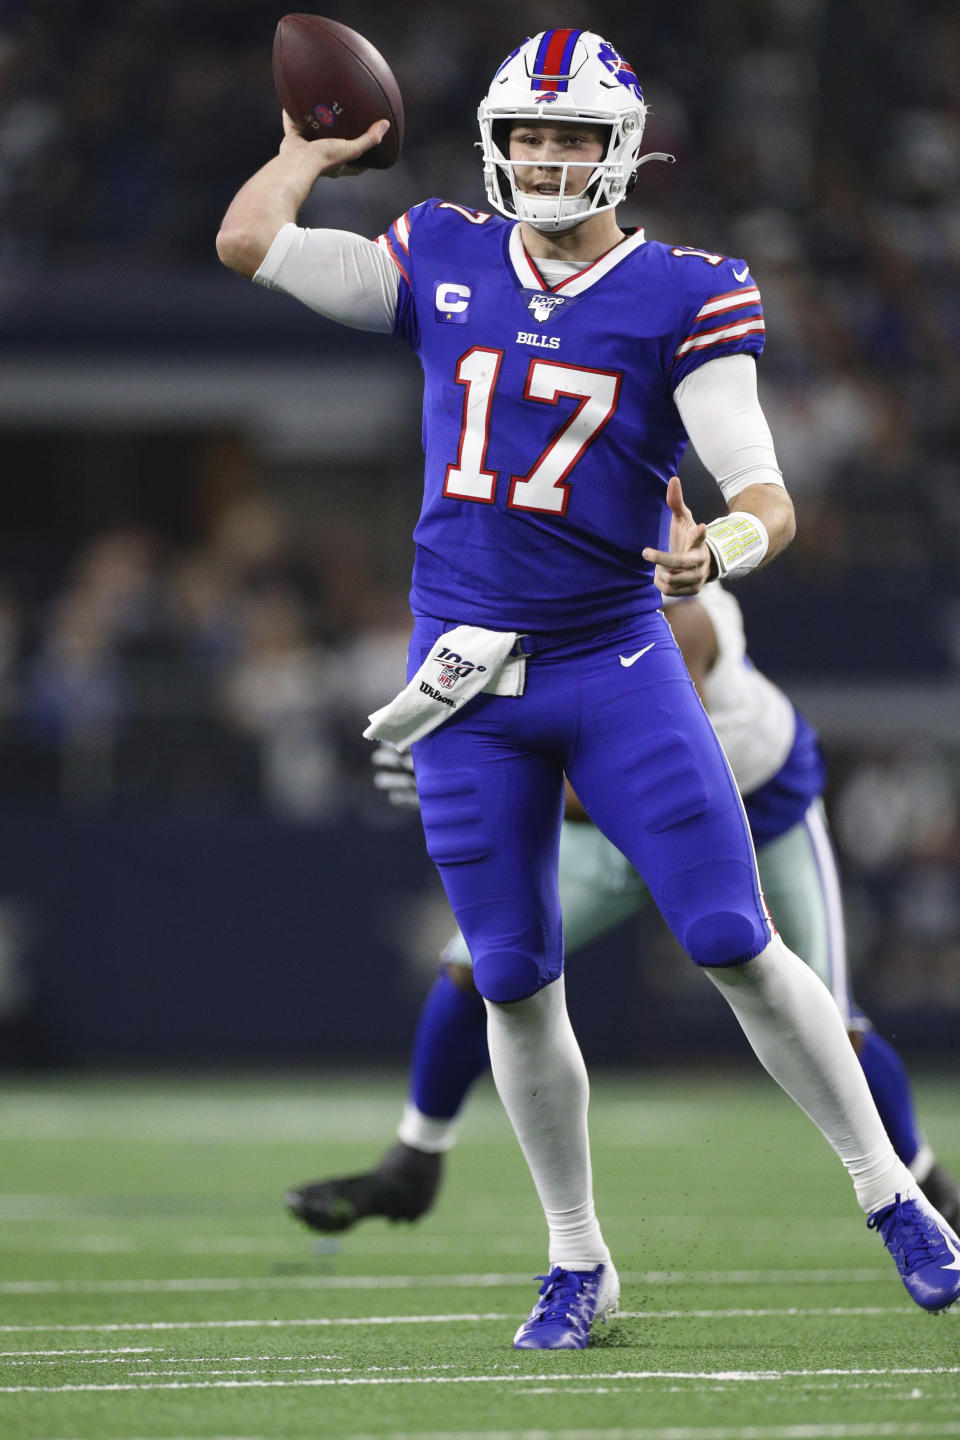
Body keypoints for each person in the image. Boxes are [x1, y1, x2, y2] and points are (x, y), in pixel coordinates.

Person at [217, 28, 960, 1346]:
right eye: (531, 133)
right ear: (499, 142)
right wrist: (300, 152)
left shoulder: (686, 288)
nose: (549, 157)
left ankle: (891, 1192)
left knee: (732, 939)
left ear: (621, 148)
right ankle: (578, 1262)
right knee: (509, 973)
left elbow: (762, 486)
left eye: (573, 135)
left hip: (615, 658)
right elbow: (252, 247)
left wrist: (724, 543)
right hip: (465, 677)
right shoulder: (440, 250)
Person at [285, 582, 960, 1236]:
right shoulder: (537, 578)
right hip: (606, 823)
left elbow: (650, 776)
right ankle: (414, 1158)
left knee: (827, 1022)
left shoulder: (678, 616)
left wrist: (455, 772)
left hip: (749, 811)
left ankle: (932, 1193)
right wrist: (448, 747)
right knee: (482, 965)